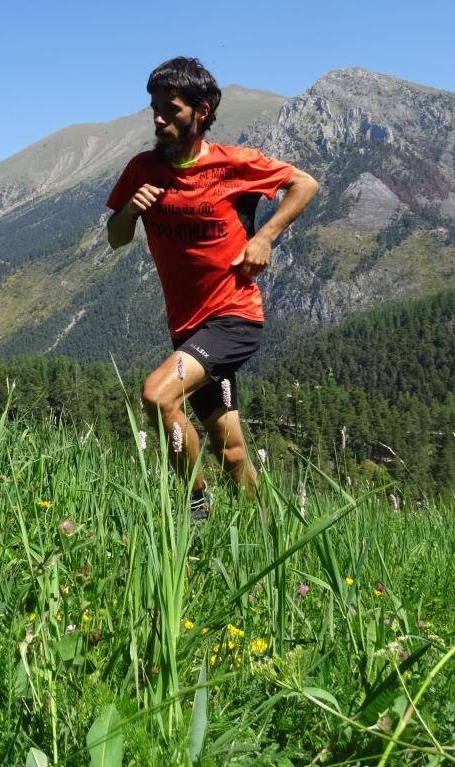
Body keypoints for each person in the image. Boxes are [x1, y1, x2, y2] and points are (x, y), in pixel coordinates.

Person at [105, 57, 319, 518]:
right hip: (188, 328)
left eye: (171, 109)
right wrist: (130, 211)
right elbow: (117, 238)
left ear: (201, 112)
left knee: (158, 395)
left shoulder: (234, 164)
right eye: (154, 108)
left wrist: (264, 237)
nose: (159, 119)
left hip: (234, 319)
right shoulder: (141, 169)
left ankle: (195, 505)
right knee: (232, 450)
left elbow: (305, 184)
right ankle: (267, 529)